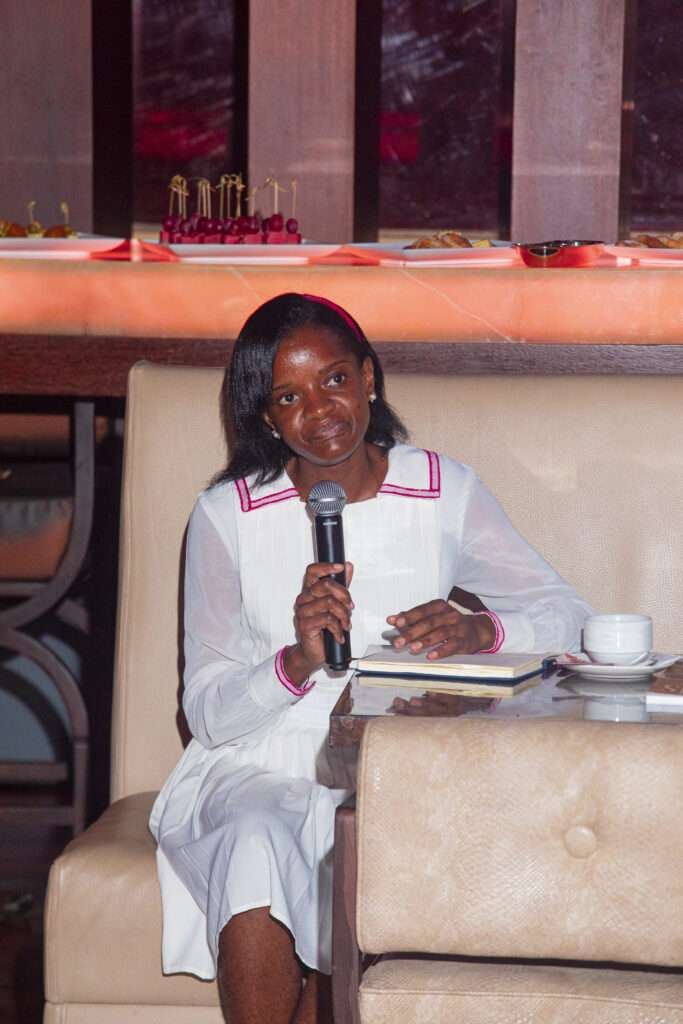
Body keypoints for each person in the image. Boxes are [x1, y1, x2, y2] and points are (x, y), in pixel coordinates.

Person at [149, 292, 591, 1024]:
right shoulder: (227, 515)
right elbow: (208, 716)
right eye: (288, 396)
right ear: (266, 417)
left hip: (394, 757)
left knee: (359, 845)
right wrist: (295, 662)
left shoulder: (441, 488)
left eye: (334, 379)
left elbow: (568, 617)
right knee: (257, 838)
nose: (319, 409)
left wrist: (479, 631)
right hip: (257, 761)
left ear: (368, 378)